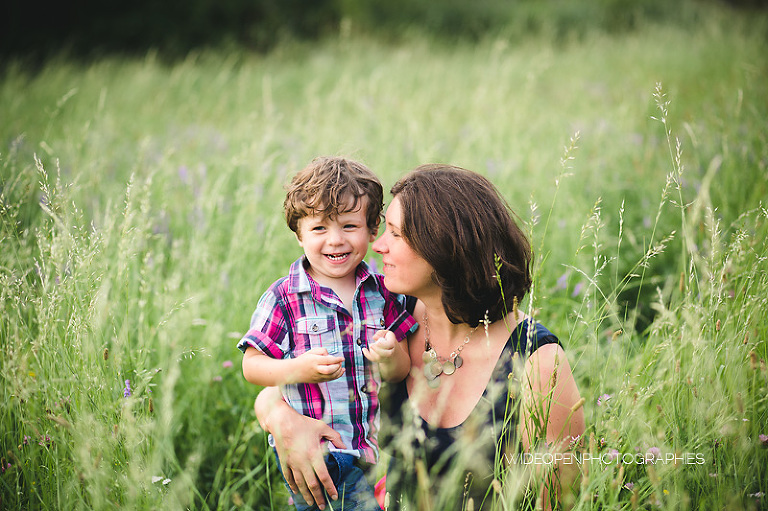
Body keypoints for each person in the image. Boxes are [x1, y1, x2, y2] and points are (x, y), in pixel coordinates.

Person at [255, 164, 586, 510]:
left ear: (443, 247)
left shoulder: (537, 362)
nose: (378, 245)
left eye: (395, 234)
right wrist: (283, 420)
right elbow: (277, 389)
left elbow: (557, 499)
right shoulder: (391, 314)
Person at [238, 156, 417, 511]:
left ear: (372, 230)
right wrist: (296, 369)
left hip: (371, 452)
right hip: (317, 454)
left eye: (349, 226)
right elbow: (252, 366)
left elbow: (400, 371)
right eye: (319, 228)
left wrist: (390, 353)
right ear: (299, 234)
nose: (335, 240)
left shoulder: (384, 293)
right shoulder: (285, 297)